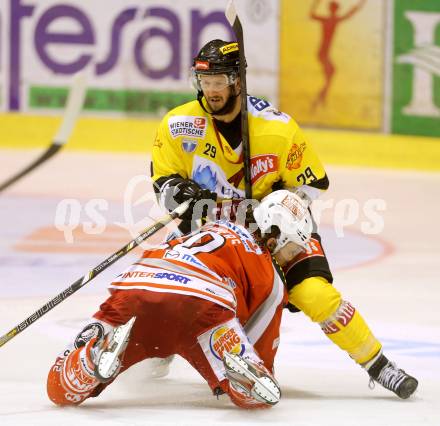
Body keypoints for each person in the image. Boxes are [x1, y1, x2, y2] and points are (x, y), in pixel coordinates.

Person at [150, 39, 419, 399]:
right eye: (205, 82)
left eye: (219, 81)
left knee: (314, 293)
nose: (211, 91)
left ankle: (378, 364)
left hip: (277, 233)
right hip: (212, 232)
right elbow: (162, 183)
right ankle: (160, 349)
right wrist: (179, 193)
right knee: (171, 288)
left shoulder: (276, 129)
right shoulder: (180, 125)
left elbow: (313, 183)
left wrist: (280, 210)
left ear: (237, 82)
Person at [47, 190, 314, 409]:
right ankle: (239, 375)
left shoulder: (211, 227)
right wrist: (256, 365)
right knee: (258, 396)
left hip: (137, 284)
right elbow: (262, 345)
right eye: (292, 249)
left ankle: (89, 359)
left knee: (58, 389)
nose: (291, 258)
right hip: (201, 307)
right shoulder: (273, 277)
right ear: (275, 238)